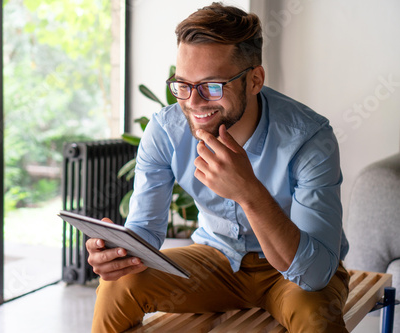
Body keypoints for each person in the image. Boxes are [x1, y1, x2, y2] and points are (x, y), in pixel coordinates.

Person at [86, 2, 350, 332]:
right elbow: (145, 232)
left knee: (316, 319)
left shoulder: (309, 138)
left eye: (212, 86)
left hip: (293, 269)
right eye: (183, 85)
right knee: (117, 286)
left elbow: (314, 274)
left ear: (255, 80)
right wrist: (119, 253)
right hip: (216, 259)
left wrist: (249, 192)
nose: (193, 103)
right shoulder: (166, 132)